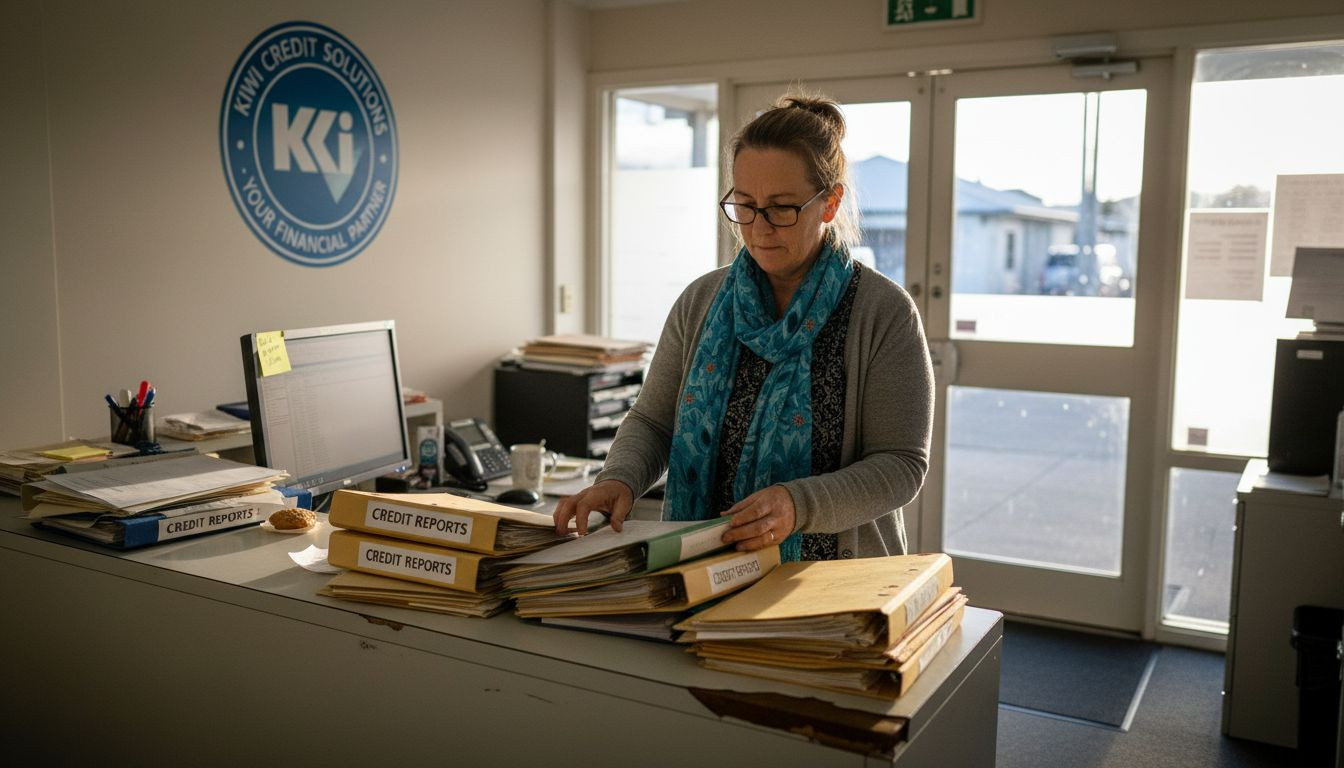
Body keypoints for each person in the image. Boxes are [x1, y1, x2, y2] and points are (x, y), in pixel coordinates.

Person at [554, 93, 933, 562]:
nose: (758, 227)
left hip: (832, 584)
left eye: (781, 207)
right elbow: (654, 421)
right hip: (703, 566)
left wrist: (799, 505)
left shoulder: (883, 312)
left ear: (830, 202)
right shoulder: (702, 301)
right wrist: (619, 478)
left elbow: (900, 464)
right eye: (745, 205)